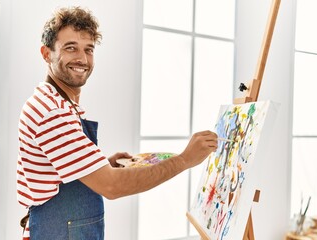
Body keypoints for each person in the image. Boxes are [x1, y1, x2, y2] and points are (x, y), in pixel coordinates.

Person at [16, 6, 218, 240]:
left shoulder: (58, 103)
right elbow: (112, 187)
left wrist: (101, 165)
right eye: (70, 48)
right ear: (46, 53)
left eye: (88, 49)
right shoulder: (52, 112)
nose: (82, 58)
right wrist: (184, 160)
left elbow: (60, 172)